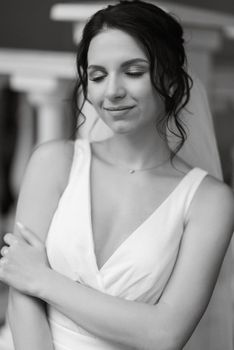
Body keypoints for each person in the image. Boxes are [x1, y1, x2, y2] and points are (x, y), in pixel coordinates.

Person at [0, 1, 233, 350]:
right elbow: (22, 301)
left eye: (134, 72)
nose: (112, 92)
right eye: (97, 76)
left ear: (170, 79)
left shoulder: (209, 200)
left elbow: (165, 334)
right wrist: (30, 282)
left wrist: (41, 279)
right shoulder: (53, 163)